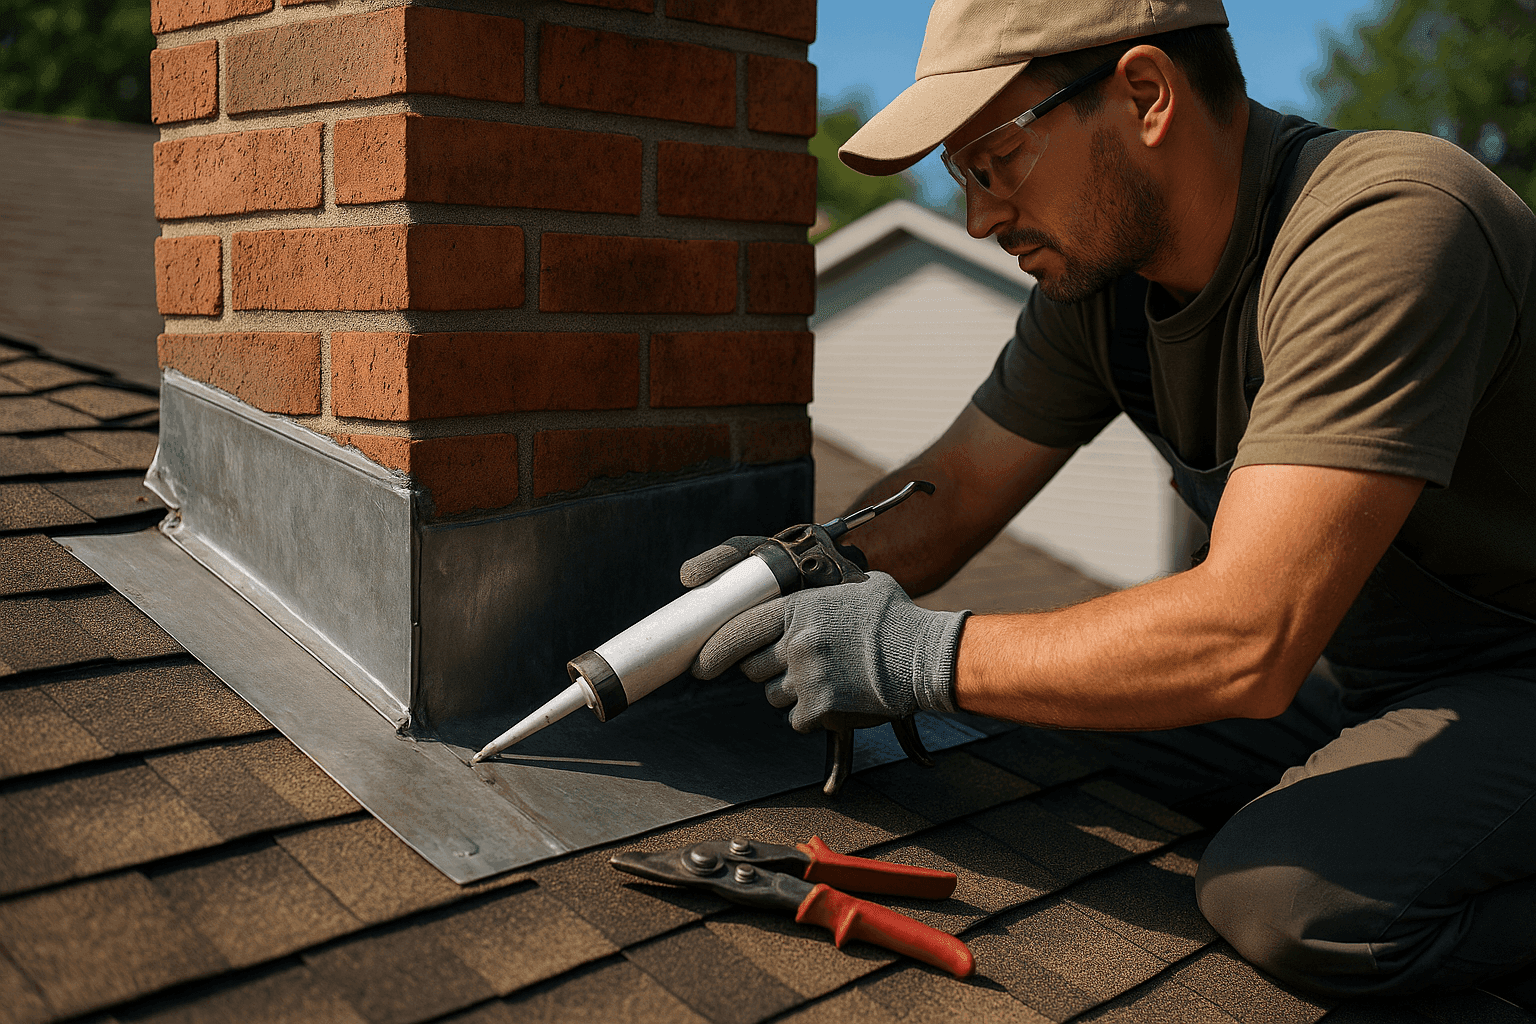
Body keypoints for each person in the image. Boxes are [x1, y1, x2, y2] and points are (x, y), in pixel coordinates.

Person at [680, 0, 1536, 1002]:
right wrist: (802, 568)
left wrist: (911, 652)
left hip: (1508, 669)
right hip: (1360, 674)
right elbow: (952, 489)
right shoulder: (1105, 294)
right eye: (961, 177)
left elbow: (1247, 635)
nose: (979, 218)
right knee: (1020, 725)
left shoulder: (1387, 225)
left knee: (1290, 896)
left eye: (992, 161)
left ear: (1145, 95)